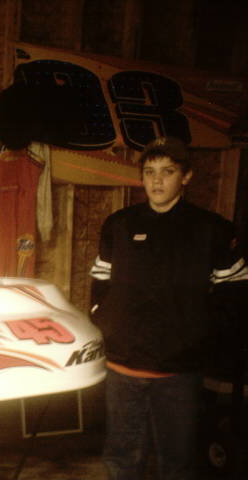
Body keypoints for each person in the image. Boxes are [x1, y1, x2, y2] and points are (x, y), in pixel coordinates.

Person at [89, 136, 248, 480]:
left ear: (186, 176)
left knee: (177, 463)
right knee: (121, 459)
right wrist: (104, 320)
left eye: (168, 171)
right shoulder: (119, 224)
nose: (157, 180)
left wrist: (201, 335)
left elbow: (235, 292)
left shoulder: (213, 230)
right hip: (123, 368)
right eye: (149, 172)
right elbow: (100, 279)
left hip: (179, 373)